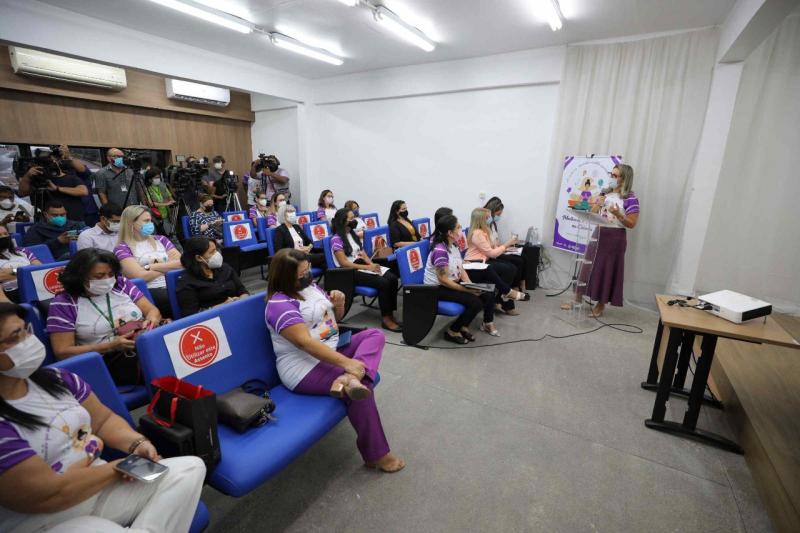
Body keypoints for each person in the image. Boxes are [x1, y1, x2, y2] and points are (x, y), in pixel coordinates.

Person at [0, 302, 205, 532]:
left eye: (26, 330)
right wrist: (115, 469)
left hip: (99, 486)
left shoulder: (56, 378)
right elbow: (48, 496)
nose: (28, 340)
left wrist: (136, 443)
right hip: (46, 518)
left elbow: (103, 420)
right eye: (15, 337)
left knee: (191, 468)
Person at [264, 248, 404, 473]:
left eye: (307, 270)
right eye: (301, 275)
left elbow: (333, 321)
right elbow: (304, 343)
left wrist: (339, 303)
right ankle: (376, 455)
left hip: (331, 348)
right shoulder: (279, 305)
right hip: (303, 367)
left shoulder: (309, 288)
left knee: (374, 335)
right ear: (284, 277)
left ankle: (349, 379)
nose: (307, 276)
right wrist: (347, 363)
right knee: (363, 388)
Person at [46, 248, 162, 385]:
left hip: (141, 346)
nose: (107, 280)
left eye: (111, 274)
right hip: (105, 362)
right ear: (80, 276)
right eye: (99, 276)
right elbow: (62, 352)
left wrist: (151, 322)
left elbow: (152, 311)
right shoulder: (64, 303)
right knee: (163, 365)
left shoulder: (121, 284)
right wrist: (110, 346)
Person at [424, 214, 498, 342]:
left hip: (450, 282)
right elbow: (443, 280)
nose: (461, 229)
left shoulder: (453, 245)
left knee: (488, 294)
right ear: (450, 233)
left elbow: (461, 266)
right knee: (475, 302)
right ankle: (452, 331)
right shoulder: (440, 251)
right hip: (436, 288)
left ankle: (463, 327)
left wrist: (471, 285)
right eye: (458, 227)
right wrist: (467, 290)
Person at [330, 208, 402, 332]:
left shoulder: (352, 234)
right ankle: (386, 318)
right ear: (343, 221)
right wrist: (368, 267)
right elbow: (344, 263)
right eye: (351, 218)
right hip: (349, 271)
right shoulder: (336, 239)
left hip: (361, 265)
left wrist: (373, 265)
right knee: (383, 283)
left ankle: (391, 313)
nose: (354, 221)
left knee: (393, 278)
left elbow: (362, 254)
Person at [584, 164, 640, 317]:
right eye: (611, 174)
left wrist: (619, 214)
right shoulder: (605, 193)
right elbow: (593, 213)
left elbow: (632, 224)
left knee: (607, 271)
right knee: (590, 267)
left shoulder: (630, 198)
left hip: (615, 238)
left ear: (624, 179)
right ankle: (578, 299)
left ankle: (600, 305)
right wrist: (597, 204)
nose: (611, 178)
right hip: (598, 234)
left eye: (615, 176)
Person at [114, 205, 182, 318]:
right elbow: (140, 276)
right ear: (131, 223)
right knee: (182, 296)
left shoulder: (161, 239)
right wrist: (169, 266)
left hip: (175, 282)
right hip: (151, 290)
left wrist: (150, 267)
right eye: (146, 221)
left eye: (150, 220)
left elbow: (181, 263)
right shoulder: (122, 248)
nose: (151, 224)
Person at [464, 207, 529, 314]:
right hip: (475, 263)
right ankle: (504, 297)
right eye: (488, 217)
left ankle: (502, 297)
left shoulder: (485, 231)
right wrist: (507, 244)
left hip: (484, 259)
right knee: (509, 269)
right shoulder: (477, 233)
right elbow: (492, 253)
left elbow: (492, 248)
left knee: (512, 267)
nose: (490, 218)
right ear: (482, 219)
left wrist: (506, 248)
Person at [176, 237, 249, 316]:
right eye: (212, 252)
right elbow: (191, 315)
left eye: (216, 250)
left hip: (238, 311)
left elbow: (243, 291)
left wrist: (241, 301)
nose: (217, 254)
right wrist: (222, 306)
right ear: (198, 258)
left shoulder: (224, 268)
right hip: (213, 320)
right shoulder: (186, 281)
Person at [18, 145, 90, 221]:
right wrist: (27, 175)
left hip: (73, 220)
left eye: (51, 162)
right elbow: (22, 192)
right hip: (47, 222)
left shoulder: (71, 178)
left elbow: (83, 191)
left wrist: (57, 188)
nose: (49, 165)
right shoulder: (38, 179)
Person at [484, 196, 528, 292]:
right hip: (492, 254)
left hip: (497, 250)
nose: (499, 217)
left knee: (523, 256)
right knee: (517, 262)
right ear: (491, 212)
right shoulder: (483, 227)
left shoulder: (493, 224)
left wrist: (507, 247)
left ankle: (521, 283)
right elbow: (490, 248)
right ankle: (515, 286)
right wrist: (505, 246)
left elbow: (496, 242)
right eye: (498, 214)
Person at [274, 204, 327, 270]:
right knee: (325, 257)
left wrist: (308, 247)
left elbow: (309, 241)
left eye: (293, 211)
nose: (293, 214)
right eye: (290, 212)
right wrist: (298, 250)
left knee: (325, 263)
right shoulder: (280, 230)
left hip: (306, 254)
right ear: (283, 215)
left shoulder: (297, 227)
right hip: (293, 257)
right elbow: (279, 250)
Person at [0, 225, 41, 302]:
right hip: (10, 292)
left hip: (34, 285)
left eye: (6, 234)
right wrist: (28, 269)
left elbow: (38, 268)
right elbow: (1, 276)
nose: (4, 237)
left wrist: (14, 271)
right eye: (0, 235)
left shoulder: (22, 251)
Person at [143, 167, 175, 235]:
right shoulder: (147, 189)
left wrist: (172, 201)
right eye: (156, 178)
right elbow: (151, 204)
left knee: (170, 233)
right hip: (156, 217)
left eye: (159, 177)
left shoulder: (163, 186)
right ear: (150, 179)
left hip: (167, 216)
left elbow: (170, 197)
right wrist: (167, 204)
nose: (158, 179)